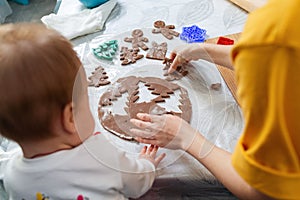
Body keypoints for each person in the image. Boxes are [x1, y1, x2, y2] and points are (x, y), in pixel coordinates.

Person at [130, 0, 300, 199]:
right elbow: (270, 55)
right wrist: (205, 51)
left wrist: (187, 138)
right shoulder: (282, 23)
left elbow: (261, 190)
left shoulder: (279, 30)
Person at [0, 23, 165, 200]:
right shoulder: (99, 155)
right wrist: (147, 165)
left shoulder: (11, 177)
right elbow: (137, 184)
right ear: (71, 118)